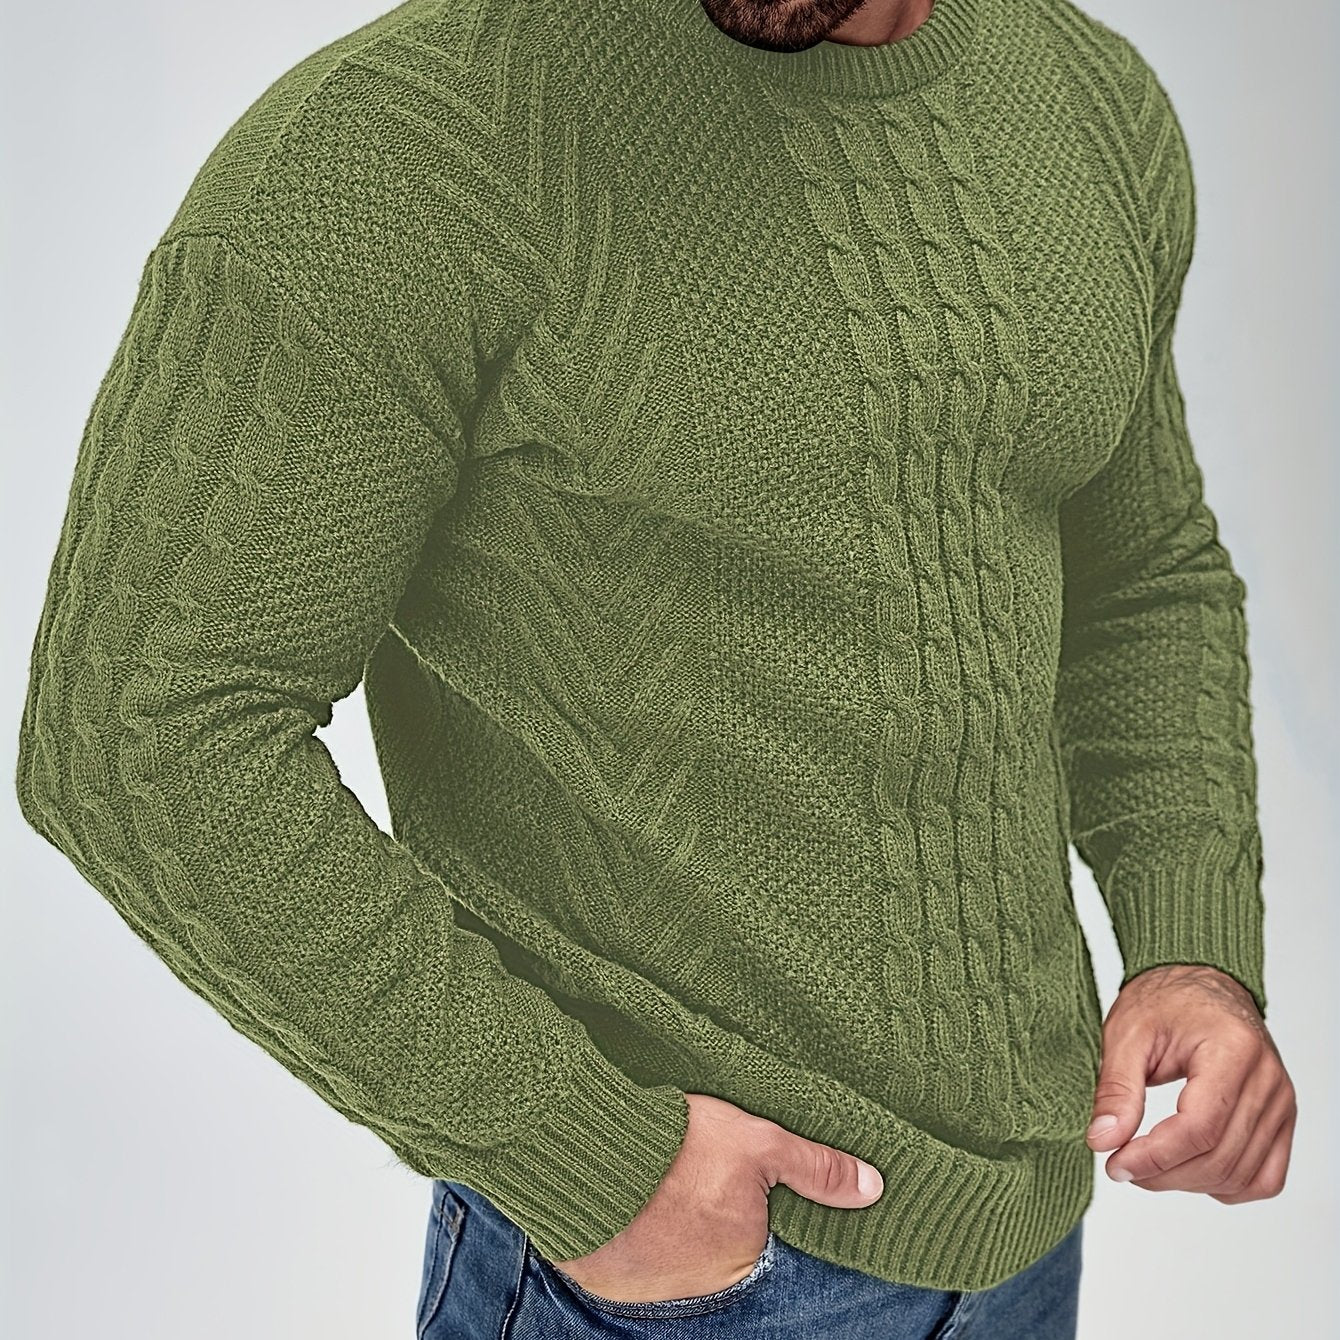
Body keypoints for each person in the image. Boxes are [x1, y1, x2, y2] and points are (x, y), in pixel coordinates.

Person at [15, 0, 1296, 1335]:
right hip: (666, 1273)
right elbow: (140, 733)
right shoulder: (400, 143)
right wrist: (581, 1152)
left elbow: (1139, 575)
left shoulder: (1086, 99)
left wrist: (1193, 946)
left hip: (1032, 1230)